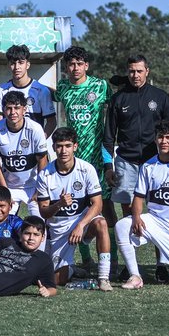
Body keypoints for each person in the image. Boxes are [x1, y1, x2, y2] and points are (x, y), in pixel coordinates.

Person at [114, 120, 169, 289]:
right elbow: (139, 196)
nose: (164, 141)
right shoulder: (148, 166)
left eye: (168, 137)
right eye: (160, 137)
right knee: (122, 226)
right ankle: (135, 276)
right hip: (154, 222)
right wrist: (136, 217)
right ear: (155, 139)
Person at [53, 46, 116, 264]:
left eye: (79, 64)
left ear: (86, 66)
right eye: (71, 64)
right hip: (73, 159)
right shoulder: (62, 87)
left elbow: (115, 111)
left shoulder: (101, 86)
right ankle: (87, 258)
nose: (75, 68)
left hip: (98, 157)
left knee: (106, 207)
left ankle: (113, 260)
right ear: (66, 67)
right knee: (77, 206)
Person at [36, 126, 112, 289]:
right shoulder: (45, 174)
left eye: (68, 146)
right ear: (53, 147)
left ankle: (103, 277)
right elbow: (43, 212)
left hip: (82, 223)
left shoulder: (86, 169)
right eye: (59, 146)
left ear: (75, 147)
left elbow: (98, 204)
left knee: (101, 223)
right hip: (58, 228)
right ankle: (71, 270)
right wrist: (59, 204)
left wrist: (81, 225)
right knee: (56, 280)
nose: (64, 151)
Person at [103, 55, 169, 215]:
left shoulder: (160, 97)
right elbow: (108, 136)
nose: (135, 75)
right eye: (132, 71)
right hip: (126, 161)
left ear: (147, 71)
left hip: (155, 161)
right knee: (128, 210)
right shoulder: (118, 99)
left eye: (139, 71)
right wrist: (108, 167)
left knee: (158, 208)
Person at [0, 90, 49, 215]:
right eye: (9, 108)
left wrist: (39, 190)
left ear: (24, 110)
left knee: (39, 220)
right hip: (9, 186)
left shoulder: (35, 128)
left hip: (33, 185)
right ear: (3, 110)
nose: (13, 112)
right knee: (2, 220)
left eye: (17, 108)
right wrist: (5, 192)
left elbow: (42, 160)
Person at [0, 44, 56, 135]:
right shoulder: (0, 91)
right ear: (9, 65)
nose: (17, 67)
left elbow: (51, 122)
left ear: (27, 65)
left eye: (21, 62)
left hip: (33, 142)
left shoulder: (41, 90)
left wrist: (40, 140)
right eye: (13, 63)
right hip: (8, 141)